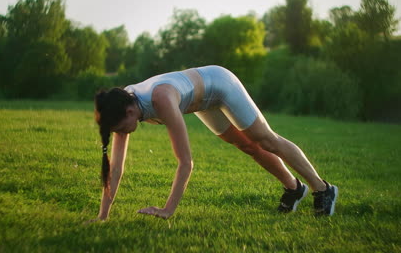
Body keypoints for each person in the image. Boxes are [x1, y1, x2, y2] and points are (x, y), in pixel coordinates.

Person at [90, 65, 338, 221]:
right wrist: (103, 216)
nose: (123, 134)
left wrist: (167, 210)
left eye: (122, 129)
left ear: (130, 112)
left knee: (265, 139)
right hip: (201, 103)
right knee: (247, 146)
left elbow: (185, 162)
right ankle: (294, 188)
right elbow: (116, 168)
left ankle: (322, 189)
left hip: (219, 84)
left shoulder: (161, 99)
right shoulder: (120, 104)